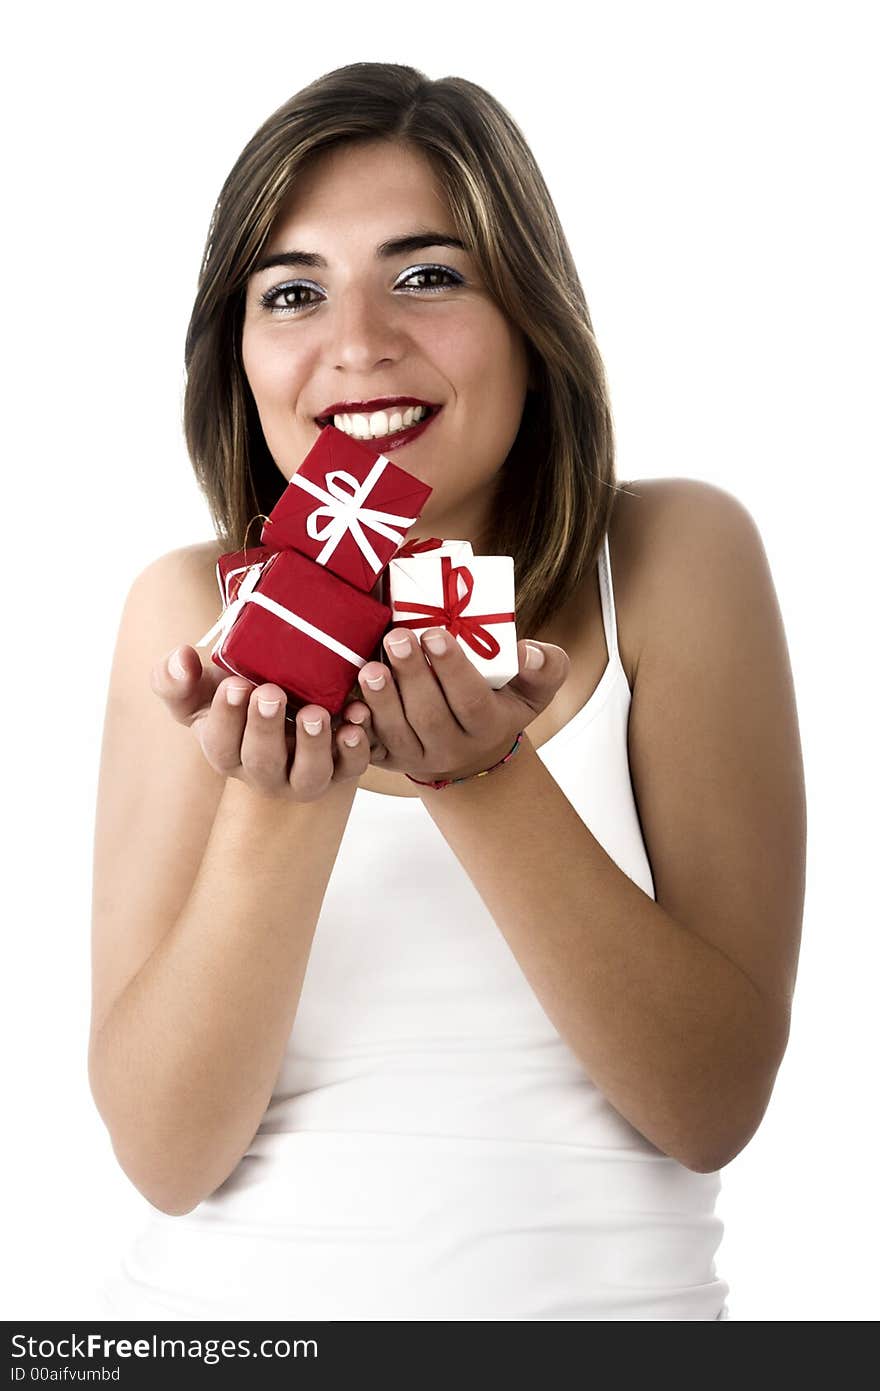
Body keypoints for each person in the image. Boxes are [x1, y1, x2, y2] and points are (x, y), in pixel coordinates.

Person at [88, 62, 806, 1321]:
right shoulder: (186, 605)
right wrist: (281, 797)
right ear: (240, 355)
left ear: (532, 314)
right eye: (293, 291)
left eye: (428, 274)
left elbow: (712, 1106)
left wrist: (481, 776)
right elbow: (163, 1153)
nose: (358, 342)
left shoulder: (673, 558)